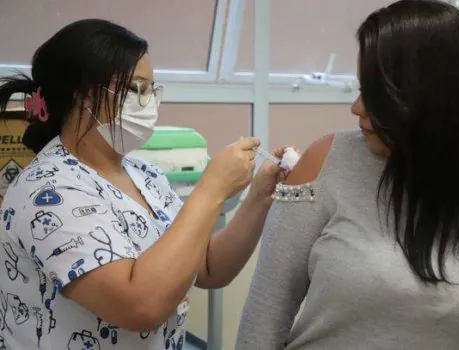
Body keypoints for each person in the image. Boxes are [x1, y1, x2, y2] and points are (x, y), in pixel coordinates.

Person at [236, 1, 459, 349]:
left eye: (375, 93)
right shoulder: (327, 162)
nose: (356, 107)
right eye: (361, 89)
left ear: (432, 98)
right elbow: (264, 318)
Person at [0, 19, 287, 350]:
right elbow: (141, 306)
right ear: (84, 97)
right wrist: (212, 189)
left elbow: (206, 267)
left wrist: (260, 196)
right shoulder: (48, 192)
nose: (148, 101)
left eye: (151, 89)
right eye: (135, 89)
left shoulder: (144, 174)